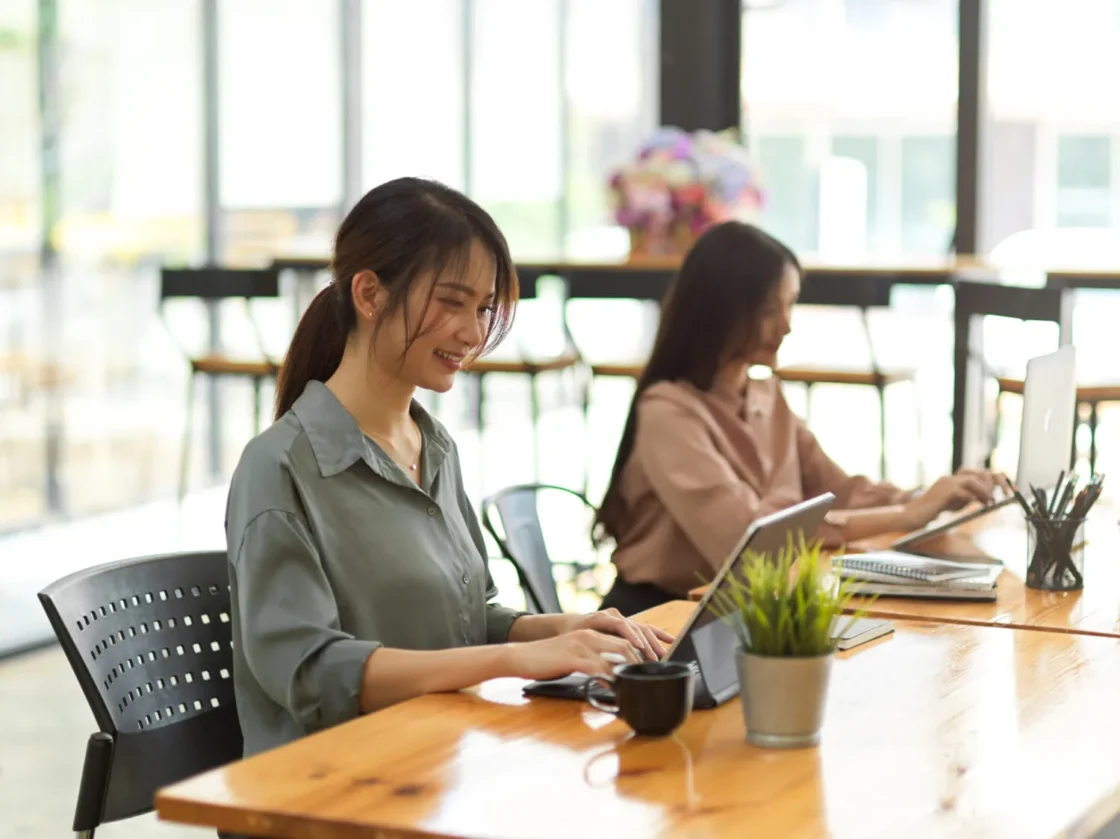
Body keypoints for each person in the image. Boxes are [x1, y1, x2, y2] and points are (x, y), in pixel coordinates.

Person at [224, 177, 672, 760]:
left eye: (484, 307)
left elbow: (470, 619)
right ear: (369, 295)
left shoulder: (432, 446)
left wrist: (564, 630)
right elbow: (313, 672)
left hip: (439, 762)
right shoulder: (279, 467)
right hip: (332, 791)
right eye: (452, 302)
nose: (474, 332)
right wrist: (514, 659)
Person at [592, 221, 1006, 616]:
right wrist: (906, 517)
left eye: (790, 305)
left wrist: (930, 498)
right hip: (662, 618)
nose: (787, 326)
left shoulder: (765, 394)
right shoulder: (668, 411)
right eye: (770, 310)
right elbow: (748, 544)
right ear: (722, 312)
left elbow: (840, 491)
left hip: (743, 609)